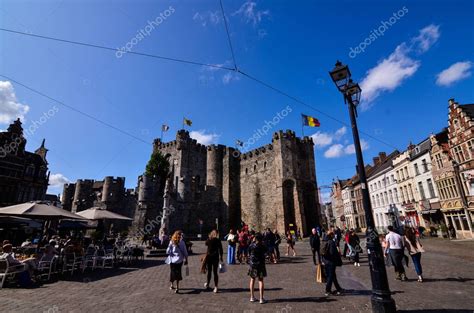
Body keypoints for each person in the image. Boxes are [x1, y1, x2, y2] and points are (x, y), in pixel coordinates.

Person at [321, 231, 343, 297]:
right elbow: (333, 253)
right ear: (331, 235)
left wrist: (323, 260)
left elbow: (322, 252)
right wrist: (337, 258)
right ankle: (327, 290)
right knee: (330, 277)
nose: (334, 235)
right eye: (333, 234)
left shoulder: (324, 241)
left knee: (333, 276)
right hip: (331, 262)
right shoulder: (331, 242)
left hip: (325, 261)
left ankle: (338, 288)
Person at [248, 233, 267, 304]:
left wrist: (253, 241)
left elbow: (249, 252)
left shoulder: (252, 245)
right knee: (261, 280)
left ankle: (252, 297)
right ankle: (261, 298)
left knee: (252, 279)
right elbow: (266, 252)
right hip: (261, 265)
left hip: (253, 265)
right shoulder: (263, 246)